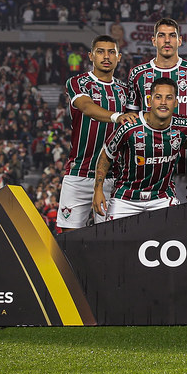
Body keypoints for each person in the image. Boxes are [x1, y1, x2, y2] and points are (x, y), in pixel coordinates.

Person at [126, 18, 187, 203]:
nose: (167, 40)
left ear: (180, 41)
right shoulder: (137, 74)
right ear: (153, 41)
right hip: (147, 166)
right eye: (162, 36)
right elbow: (130, 120)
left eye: (172, 36)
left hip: (186, 165)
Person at [92, 77, 187, 221]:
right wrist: (98, 189)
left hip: (162, 197)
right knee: (113, 242)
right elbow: (106, 155)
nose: (163, 102)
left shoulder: (182, 125)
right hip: (125, 198)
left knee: (174, 238)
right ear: (149, 101)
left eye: (169, 98)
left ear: (176, 103)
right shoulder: (129, 126)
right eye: (158, 97)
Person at [57, 35, 137, 231]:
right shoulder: (78, 82)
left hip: (113, 177)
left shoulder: (126, 90)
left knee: (110, 241)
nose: (106, 56)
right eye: (100, 51)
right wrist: (117, 116)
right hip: (79, 173)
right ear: (91, 56)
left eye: (111, 52)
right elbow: (86, 107)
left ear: (118, 57)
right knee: (68, 239)